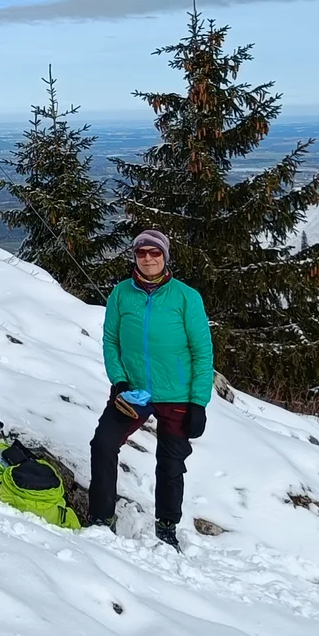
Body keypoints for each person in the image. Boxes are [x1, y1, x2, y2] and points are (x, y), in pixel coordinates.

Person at [85, 230, 214, 548]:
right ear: (135, 257)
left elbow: (202, 352)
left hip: (177, 394)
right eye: (141, 252)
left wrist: (199, 403)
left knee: (171, 463)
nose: (147, 258)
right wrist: (120, 381)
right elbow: (111, 342)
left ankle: (167, 527)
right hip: (133, 392)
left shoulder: (186, 297)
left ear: (165, 256)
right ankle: (102, 519)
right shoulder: (120, 294)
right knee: (103, 444)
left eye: (154, 252)